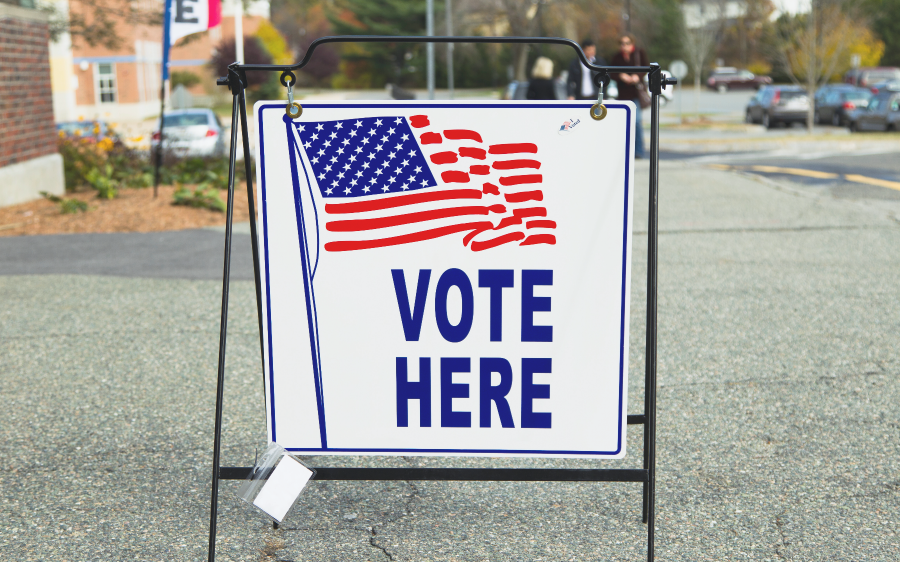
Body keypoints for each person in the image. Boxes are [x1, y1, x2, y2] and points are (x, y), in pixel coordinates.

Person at [609, 33, 648, 158]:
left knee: (636, 122)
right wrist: (621, 75)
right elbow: (610, 72)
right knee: (624, 123)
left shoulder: (639, 53)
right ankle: (625, 150)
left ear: (632, 43)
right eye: (622, 43)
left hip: (635, 92)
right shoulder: (617, 57)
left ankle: (639, 151)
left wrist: (638, 76)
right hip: (623, 94)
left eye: (627, 43)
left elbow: (647, 67)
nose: (624, 46)